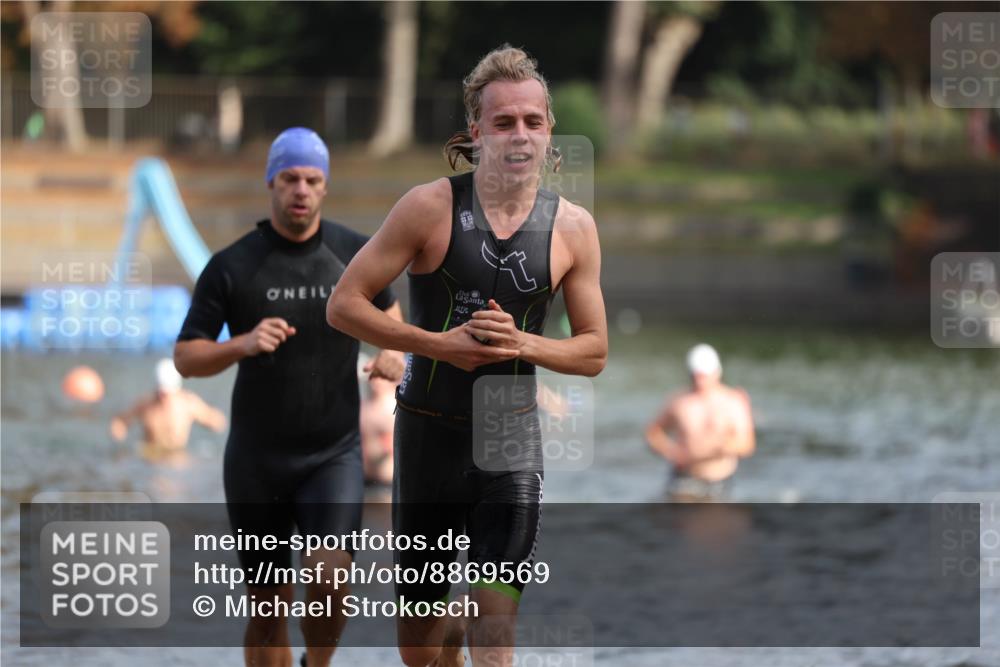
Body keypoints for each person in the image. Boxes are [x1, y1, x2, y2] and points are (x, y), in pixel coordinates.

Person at [327, 46, 607, 667]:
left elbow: (593, 352)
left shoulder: (574, 229)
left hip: (510, 441)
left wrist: (524, 343)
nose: (520, 135)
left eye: (533, 121)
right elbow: (344, 305)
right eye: (504, 122)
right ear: (476, 132)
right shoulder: (429, 207)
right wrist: (438, 347)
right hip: (428, 437)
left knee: (497, 630)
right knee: (418, 649)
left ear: (549, 130)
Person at [173, 127, 404, 667]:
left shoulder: (353, 253)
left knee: (330, 577)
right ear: (271, 183)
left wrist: (393, 355)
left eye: (312, 180)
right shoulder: (233, 266)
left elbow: (393, 321)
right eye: (290, 179)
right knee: (267, 612)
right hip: (257, 461)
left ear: (325, 187)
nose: (301, 189)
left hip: (333, 454)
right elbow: (187, 357)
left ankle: (316, 665)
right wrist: (242, 343)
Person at [645, 344, 755, 502]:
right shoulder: (679, 401)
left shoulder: (733, 401)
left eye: (704, 376)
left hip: (720, 481)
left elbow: (747, 444)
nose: (700, 381)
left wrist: (719, 447)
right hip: (684, 479)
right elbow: (652, 432)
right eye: (696, 376)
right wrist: (671, 451)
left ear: (717, 373)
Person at [109, 358, 226, 466]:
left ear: (176, 389)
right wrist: (118, 431)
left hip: (176, 457)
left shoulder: (188, 404)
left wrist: (215, 422)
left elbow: (217, 421)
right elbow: (120, 421)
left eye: (167, 394)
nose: (163, 397)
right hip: (151, 458)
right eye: (161, 393)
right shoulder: (146, 404)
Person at [358, 352, 397, 487]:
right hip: (366, 480)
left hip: (387, 481)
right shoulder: (366, 405)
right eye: (373, 375)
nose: (375, 381)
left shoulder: (392, 405)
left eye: (379, 375)